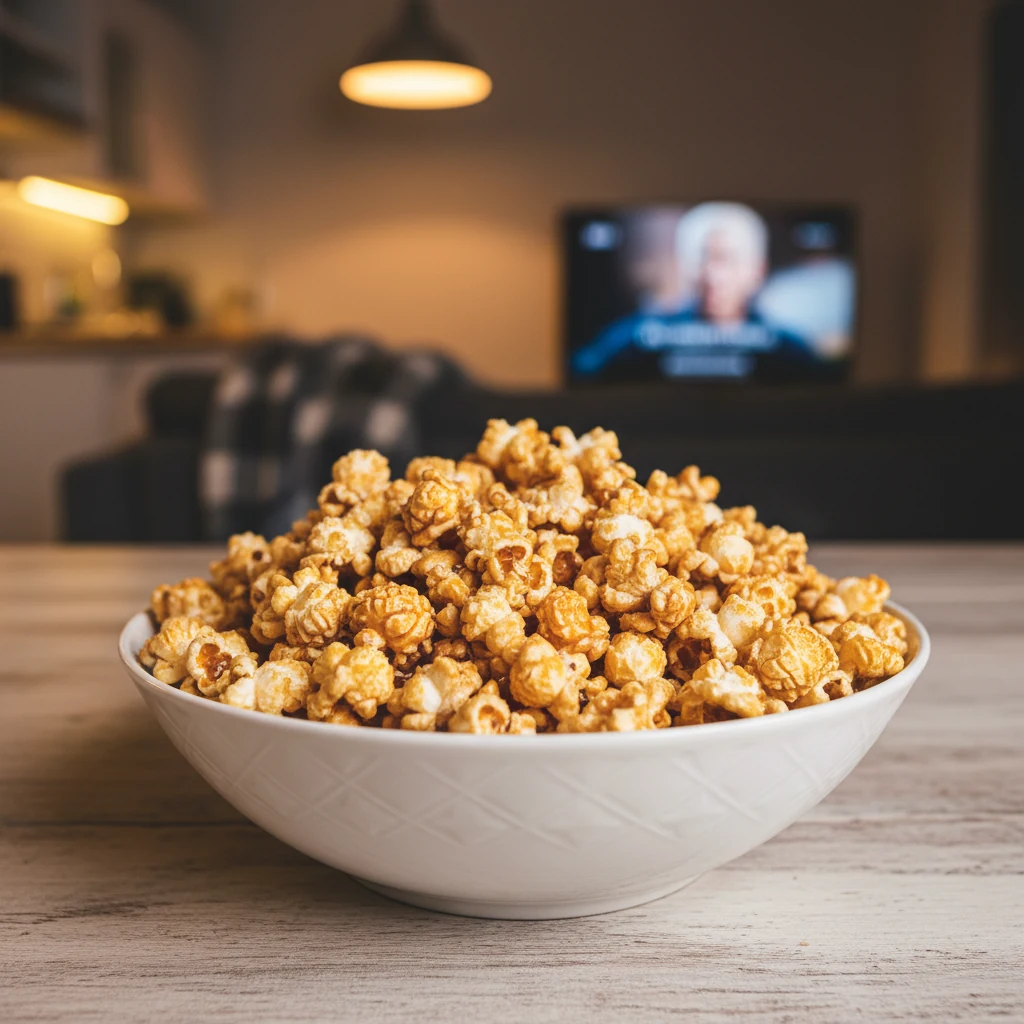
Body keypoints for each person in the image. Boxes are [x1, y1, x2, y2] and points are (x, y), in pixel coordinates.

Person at [572, 203, 816, 381]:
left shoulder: (789, 348)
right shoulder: (637, 337)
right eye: (703, 259)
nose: (713, 276)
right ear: (686, 267)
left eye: (728, 260)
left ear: (757, 270)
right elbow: (583, 368)